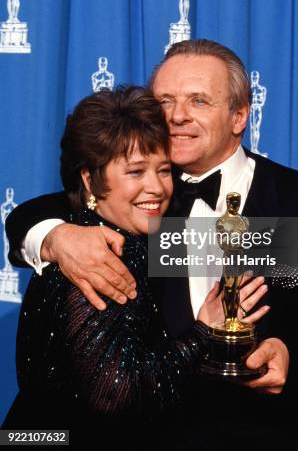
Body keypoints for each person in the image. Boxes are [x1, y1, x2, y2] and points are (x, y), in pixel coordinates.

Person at [6, 40, 298, 449]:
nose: (178, 116)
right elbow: (34, 214)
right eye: (165, 100)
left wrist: (292, 354)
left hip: (277, 433)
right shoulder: (143, 195)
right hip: (157, 435)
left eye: (199, 100)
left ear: (239, 115)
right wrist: (55, 237)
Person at [2, 85, 269, 448]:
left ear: (240, 115)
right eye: (135, 171)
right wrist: (204, 333)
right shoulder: (93, 255)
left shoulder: (130, 237)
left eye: (163, 171)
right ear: (89, 178)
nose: (156, 188)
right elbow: (114, 392)